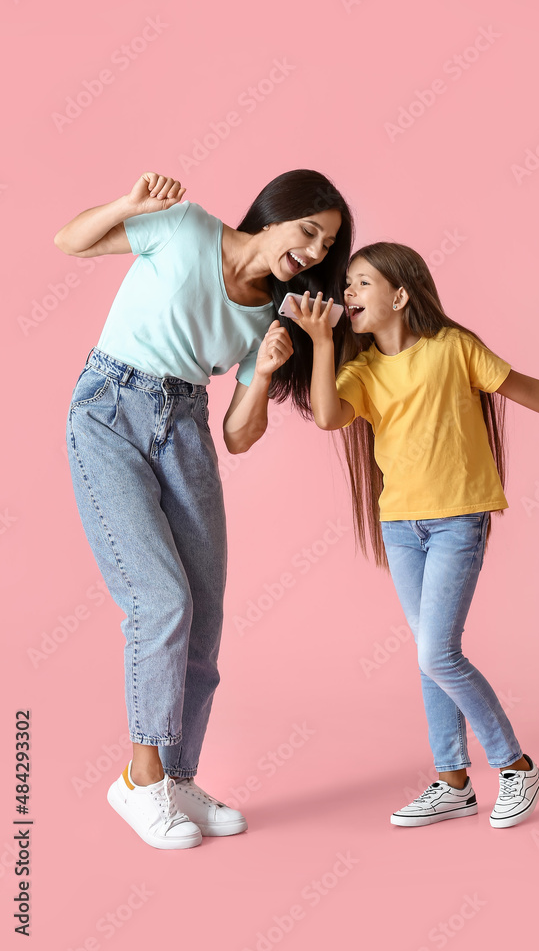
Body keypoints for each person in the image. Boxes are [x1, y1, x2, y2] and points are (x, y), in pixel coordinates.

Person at [288, 241, 539, 830]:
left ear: (400, 295)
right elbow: (327, 417)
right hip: (400, 527)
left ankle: (515, 765)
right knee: (431, 659)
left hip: (457, 520)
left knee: (436, 653)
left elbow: (524, 387)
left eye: (361, 283)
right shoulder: (361, 371)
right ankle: (452, 780)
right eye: (345, 284)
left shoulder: (454, 348)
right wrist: (321, 343)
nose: (347, 292)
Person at [55, 169, 353, 849]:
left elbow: (239, 435)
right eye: (308, 231)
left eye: (324, 247)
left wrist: (270, 367)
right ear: (276, 214)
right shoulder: (186, 226)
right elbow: (71, 242)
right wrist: (127, 203)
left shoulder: (267, 316)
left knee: (205, 611)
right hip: (109, 407)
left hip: (185, 426)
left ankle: (178, 776)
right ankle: (140, 779)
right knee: (160, 601)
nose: (311, 253)